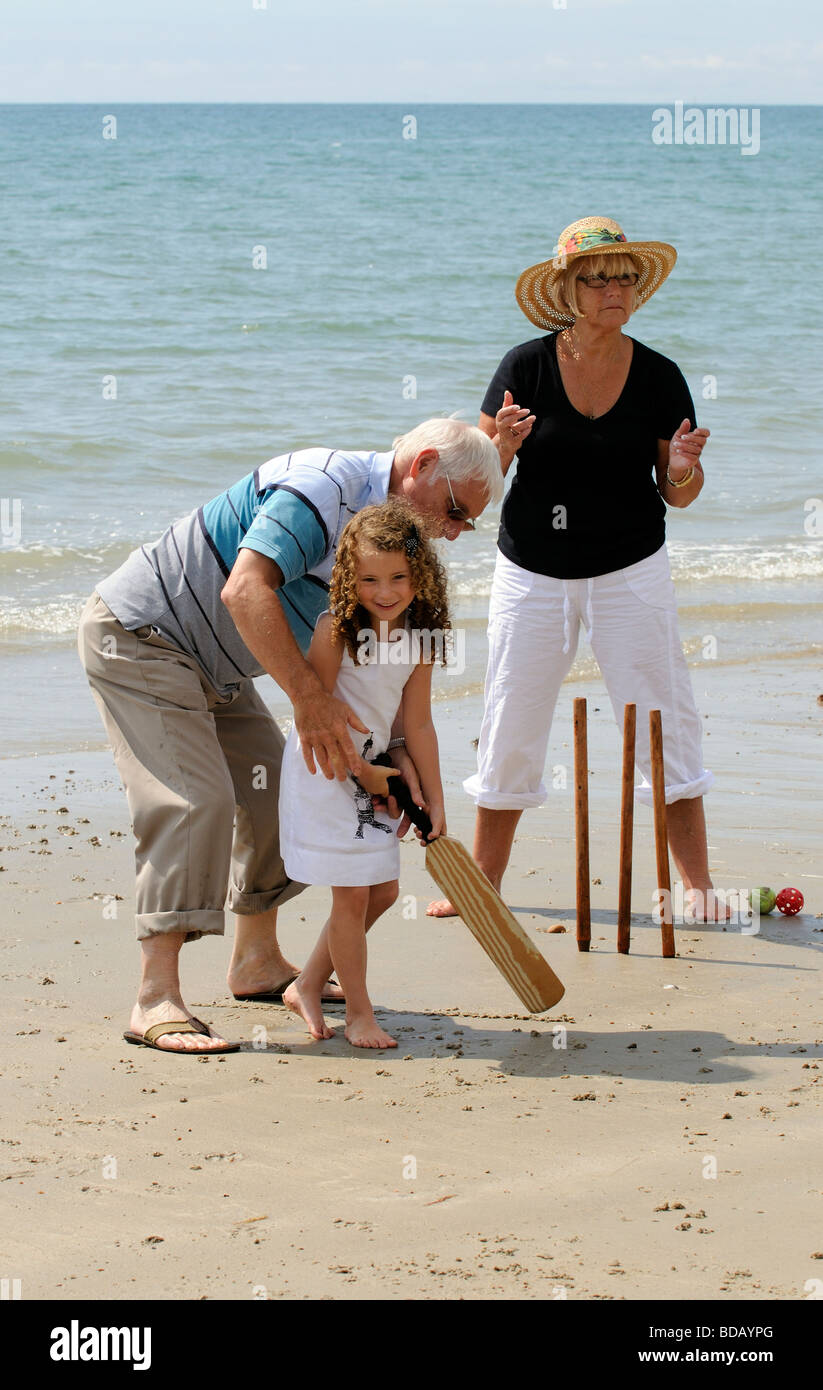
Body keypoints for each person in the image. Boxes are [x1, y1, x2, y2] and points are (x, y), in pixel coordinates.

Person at [77, 419, 502, 1053]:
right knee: (197, 802)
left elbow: (386, 690)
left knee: (279, 789)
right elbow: (245, 588)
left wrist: (394, 752)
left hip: (216, 665)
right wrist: (307, 699)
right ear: (421, 466)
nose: (457, 532)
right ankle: (154, 995)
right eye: (457, 511)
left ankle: (256, 961)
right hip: (143, 636)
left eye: (468, 521)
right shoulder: (324, 488)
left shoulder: (387, 533)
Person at [427, 215, 723, 924]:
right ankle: (483, 884)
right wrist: (500, 446)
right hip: (531, 571)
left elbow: (675, 494)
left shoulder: (659, 376)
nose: (611, 290)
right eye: (595, 280)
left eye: (622, 278)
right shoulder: (523, 366)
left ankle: (697, 887)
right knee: (511, 716)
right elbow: (479, 478)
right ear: (566, 288)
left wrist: (683, 470)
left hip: (630, 570)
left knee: (662, 718)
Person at [279, 498, 448, 1049]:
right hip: (325, 768)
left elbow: (417, 725)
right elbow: (317, 715)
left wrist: (434, 800)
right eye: (371, 578)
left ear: (420, 573)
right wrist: (363, 774)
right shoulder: (337, 630)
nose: (385, 591)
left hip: (372, 769)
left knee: (383, 891)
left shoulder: (422, 637)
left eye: (399, 576)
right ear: (351, 576)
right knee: (353, 896)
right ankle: (358, 1013)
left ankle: (306, 984)